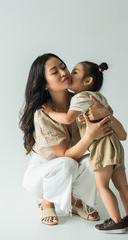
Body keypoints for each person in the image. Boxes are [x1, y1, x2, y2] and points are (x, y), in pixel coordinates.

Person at [42, 61, 128, 233]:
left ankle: (116, 222)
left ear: (87, 81)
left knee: (102, 186)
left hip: (101, 146)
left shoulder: (79, 97)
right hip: (114, 144)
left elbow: (67, 119)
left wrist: (49, 112)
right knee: (123, 186)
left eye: (75, 72)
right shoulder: (98, 97)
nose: (69, 74)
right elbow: (110, 111)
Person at [19, 53, 113, 225]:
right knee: (67, 163)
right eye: (55, 72)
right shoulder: (42, 113)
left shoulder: (80, 99)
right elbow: (65, 155)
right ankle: (46, 202)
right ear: (44, 84)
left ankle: (75, 200)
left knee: (97, 159)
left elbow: (108, 112)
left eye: (63, 67)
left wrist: (104, 113)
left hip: (70, 164)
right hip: (41, 175)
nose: (64, 73)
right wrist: (90, 135)